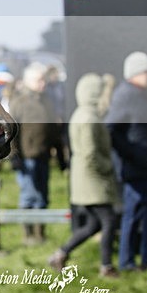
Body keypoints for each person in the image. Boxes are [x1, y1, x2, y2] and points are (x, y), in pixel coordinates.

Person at [48, 73, 118, 277]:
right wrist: (107, 167)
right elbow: (90, 153)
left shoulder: (83, 113)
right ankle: (106, 266)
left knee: (94, 223)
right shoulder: (89, 117)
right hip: (93, 180)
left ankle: (60, 254)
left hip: (86, 178)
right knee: (108, 221)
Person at [104, 52, 147, 272]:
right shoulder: (126, 94)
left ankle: (138, 260)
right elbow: (111, 128)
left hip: (143, 165)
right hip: (135, 166)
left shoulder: (141, 94)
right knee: (143, 208)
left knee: (143, 208)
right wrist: (131, 153)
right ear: (136, 73)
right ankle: (133, 261)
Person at [8, 62, 66, 244]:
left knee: (42, 196)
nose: (43, 84)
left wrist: (61, 157)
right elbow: (11, 132)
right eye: (40, 80)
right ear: (29, 81)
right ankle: (28, 235)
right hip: (26, 158)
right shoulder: (19, 102)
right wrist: (14, 157)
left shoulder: (47, 100)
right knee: (29, 196)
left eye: (44, 80)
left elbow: (53, 130)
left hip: (43, 156)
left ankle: (41, 234)